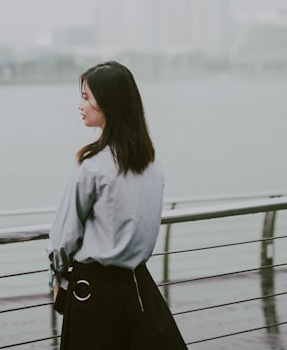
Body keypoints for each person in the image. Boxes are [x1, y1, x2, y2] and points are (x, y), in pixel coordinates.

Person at [47, 60, 187, 349]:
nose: (80, 105)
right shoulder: (152, 164)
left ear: (109, 103)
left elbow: (64, 236)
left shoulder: (92, 165)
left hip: (94, 292)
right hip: (139, 290)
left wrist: (57, 278)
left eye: (86, 97)